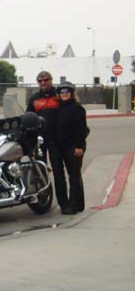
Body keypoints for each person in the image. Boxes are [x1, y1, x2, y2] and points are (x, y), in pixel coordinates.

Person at [55, 81, 89, 215]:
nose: (64, 94)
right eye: (61, 92)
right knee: (65, 176)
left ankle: (74, 206)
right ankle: (77, 204)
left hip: (73, 146)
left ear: (72, 93)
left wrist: (79, 146)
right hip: (59, 147)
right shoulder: (58, 108)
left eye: (67, 92)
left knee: (74, 176)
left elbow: (81, 129)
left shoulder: (77, 109)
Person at [26, 70, 60, 165]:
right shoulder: (34, 98)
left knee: (57, 165)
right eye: (40, 81)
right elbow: (29, 116)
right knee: (40, 165)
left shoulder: (59, 96)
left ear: (51, 80)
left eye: (46, 80)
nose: (43, 82)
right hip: (40, 137)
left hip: (56, 136)